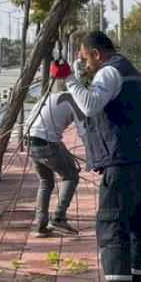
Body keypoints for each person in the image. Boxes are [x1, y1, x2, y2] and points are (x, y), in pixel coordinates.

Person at [61, 31, 141, 282]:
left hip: (123, 164)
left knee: (112, 225)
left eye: (84, 58)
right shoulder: (131, 72)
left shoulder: (109, 73)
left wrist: (68, 79)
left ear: (97, 54)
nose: (85, 64)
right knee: (136, 228)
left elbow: (90, 104)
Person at [24, 87, 81, 236]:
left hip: (30, 140)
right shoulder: (76, 100)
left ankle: (40, 224)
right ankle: (59, 217)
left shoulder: (48, 97)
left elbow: (31, 121)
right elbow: (84, 131)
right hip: (47, 142)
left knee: (46, 181)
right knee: (71, 176)